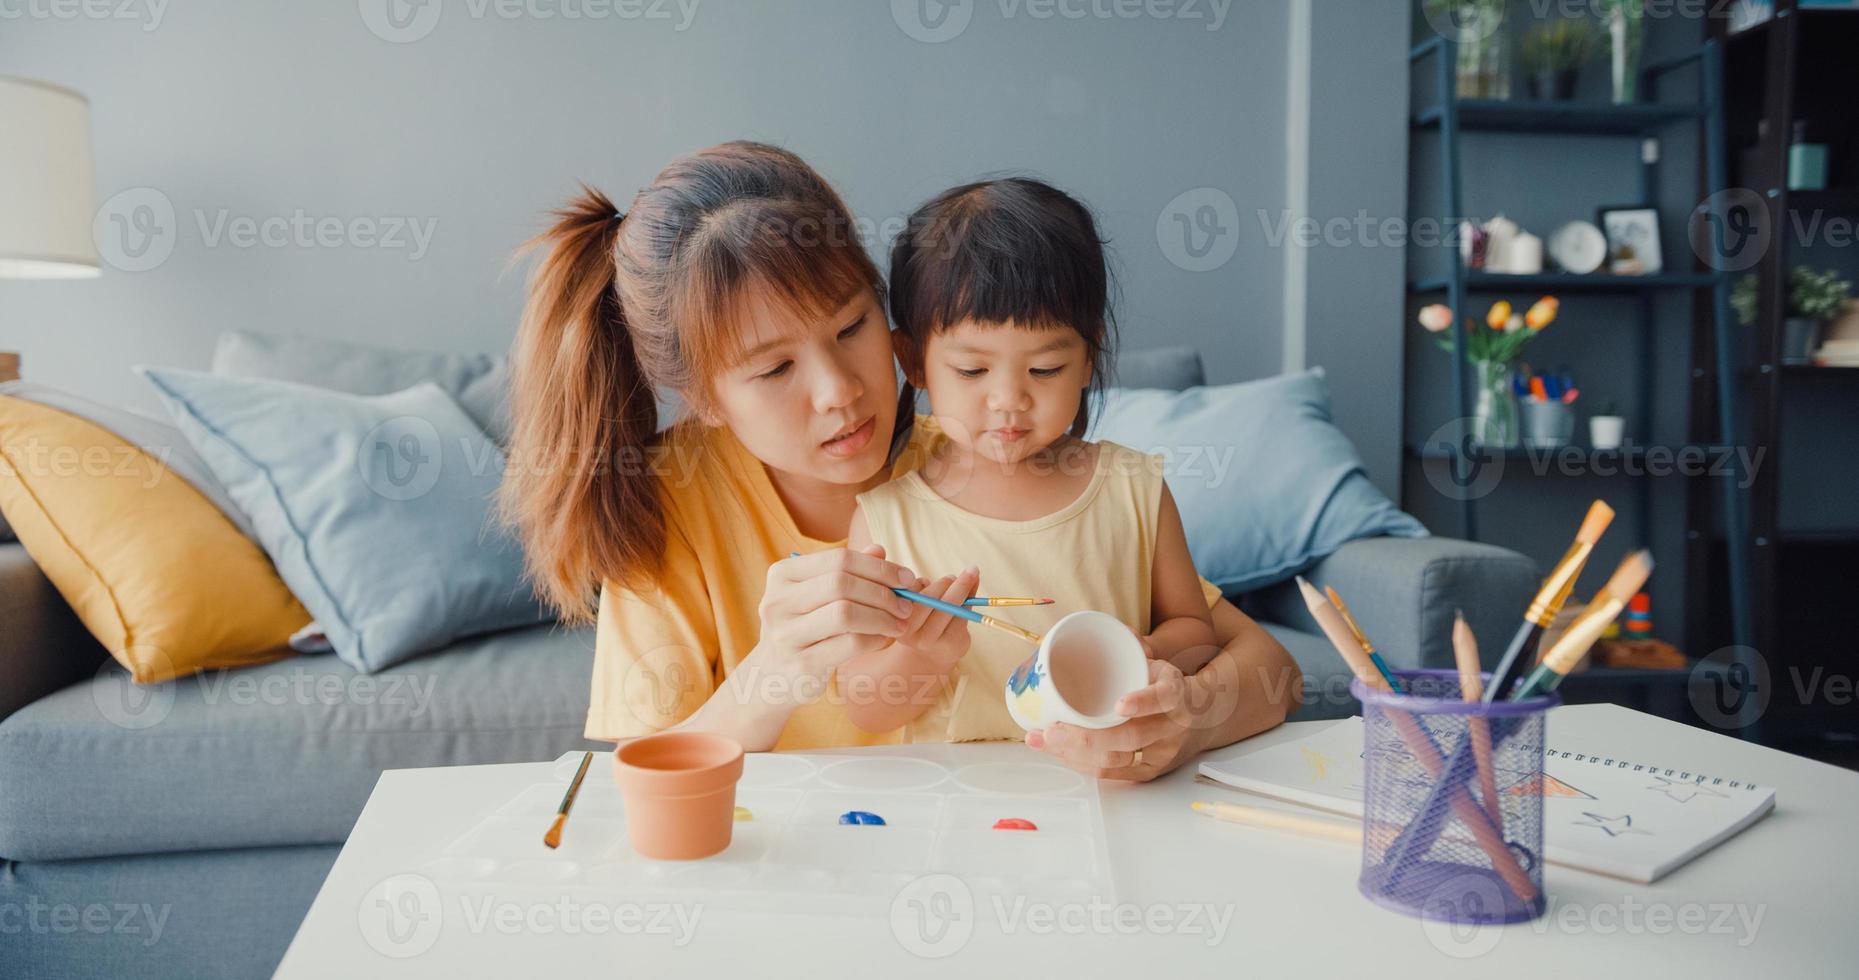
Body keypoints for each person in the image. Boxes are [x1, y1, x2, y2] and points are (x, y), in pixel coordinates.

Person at [499, 141, 1301, 780]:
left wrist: (1185, 722)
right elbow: (643, 780)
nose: (840, 393)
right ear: (704, 398)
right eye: (775, 370)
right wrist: (775, 670)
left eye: (850, 329)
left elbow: (1267, 667)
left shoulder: (976, 447)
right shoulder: (669, 502)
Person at [838, 177, 1218, 741]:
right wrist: (922, 656)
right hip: (955, 798)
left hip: (1104, 781)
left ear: (1088, 358)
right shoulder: (887, 519)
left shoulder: (1132, 488)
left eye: (1045, 370)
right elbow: (863, 709)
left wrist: (1152, 654)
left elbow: (1198, 631)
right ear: (913, 360)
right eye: (972, 371)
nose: (1009, 400)